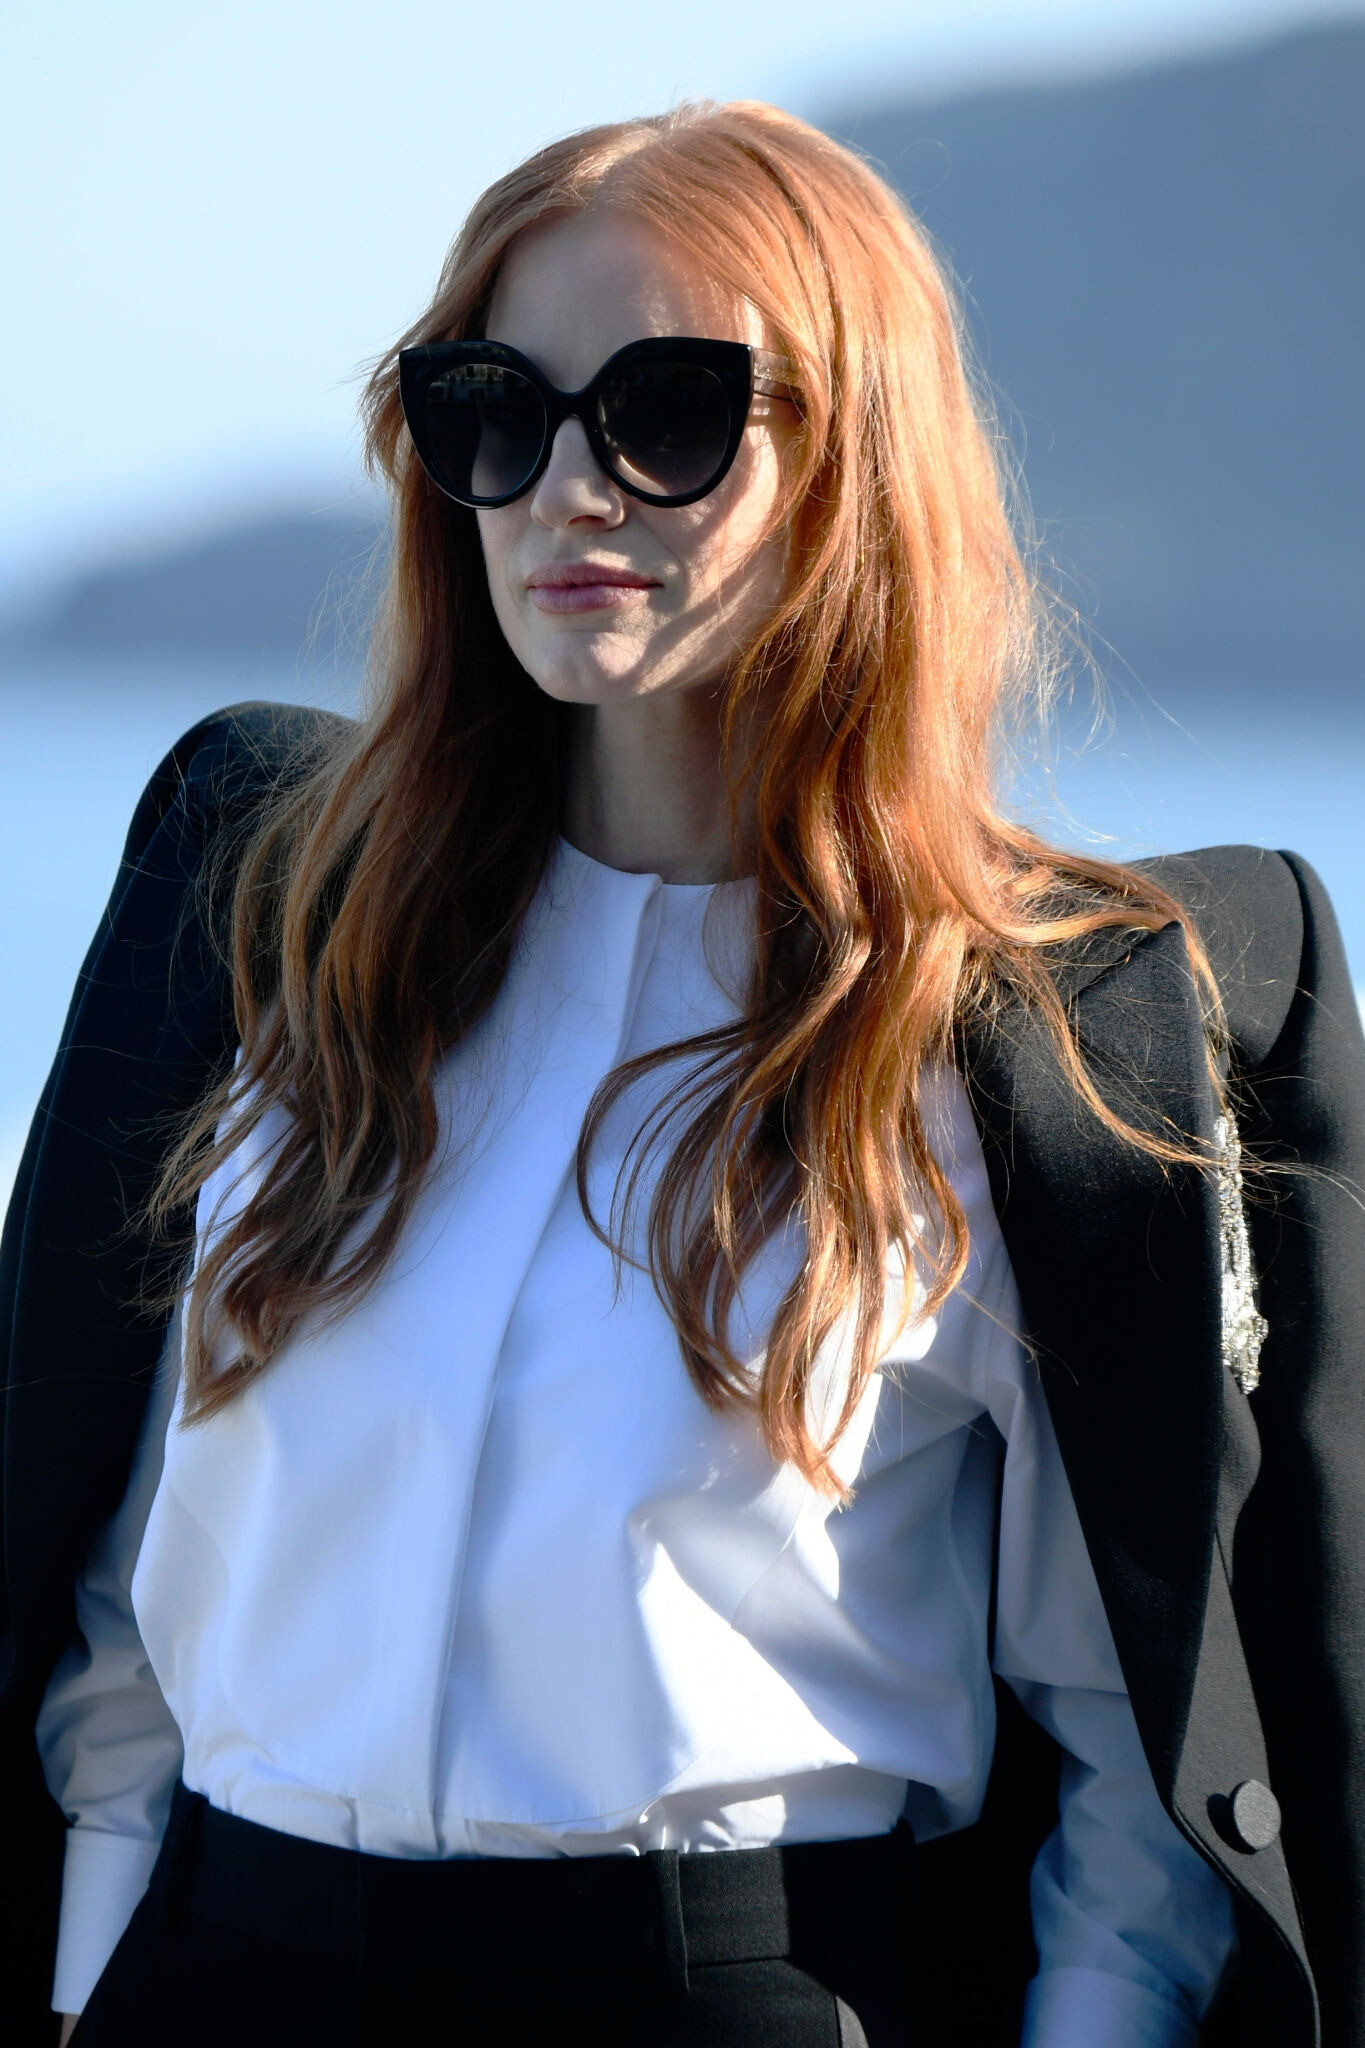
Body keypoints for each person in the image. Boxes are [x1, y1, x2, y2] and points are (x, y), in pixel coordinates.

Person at [2, 102, 1362, 2048]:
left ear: (854, 453)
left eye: (665, 410)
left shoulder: (1030, 1056)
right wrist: (82, 1991)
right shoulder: (272, 930)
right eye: (494, 409)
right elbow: (112, 1603)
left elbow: (1128, 1776)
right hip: (217, 1981)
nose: (568, 485)